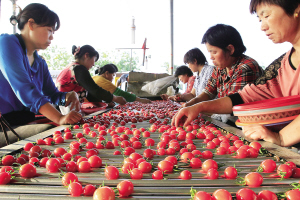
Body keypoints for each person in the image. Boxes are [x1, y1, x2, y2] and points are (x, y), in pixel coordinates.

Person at [172, 0, 300, 147]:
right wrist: (198, 106)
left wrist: (281, 138)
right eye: (260, 19)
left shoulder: (247, 67)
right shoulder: (282, 64)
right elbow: (245, 97)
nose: (263, 27)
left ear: (296, 7)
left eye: (267, 15)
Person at [0, 3, 81, 147]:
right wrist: (60, 117)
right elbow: (25, 89)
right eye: (49, 30)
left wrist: (67, 96)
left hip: (24, 120)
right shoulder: (6, 43)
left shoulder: (39, 62)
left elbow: (52, 94)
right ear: (31, 24)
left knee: (67, 131)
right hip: (4, 125)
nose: (51, 37)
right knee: (50, 132)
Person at [184, 24, 263, 109]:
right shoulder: (220, 68)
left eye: (214, 52)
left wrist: (199, 107)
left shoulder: (245, 67)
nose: (211, 57)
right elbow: (208, 92)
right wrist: (192, 103)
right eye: (209, 52)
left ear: (230, 49)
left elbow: (234, 103)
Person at [56, 45, 126, 107]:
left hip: (63, 107)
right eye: (94, 60)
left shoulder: (71, 67)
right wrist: (115, 98)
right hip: (64, 109)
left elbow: (89, 92)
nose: (93, 65)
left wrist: (103, 103)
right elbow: (95, 89)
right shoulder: (79, 69)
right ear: (86, 55)